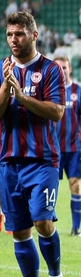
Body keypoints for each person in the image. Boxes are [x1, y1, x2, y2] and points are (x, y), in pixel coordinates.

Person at [0, 11, 69, 277]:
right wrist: (8, 89)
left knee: (43, 221)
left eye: (19, 34)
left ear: (34, 35)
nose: (13, 40)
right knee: (19, 229)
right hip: (8, 161)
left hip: (42, 159)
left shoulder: (50, 70)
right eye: (9, 34)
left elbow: (57, 112)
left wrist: (22, 97)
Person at [53, 57, 81, 236]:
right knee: (50, 187)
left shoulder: (78, 91)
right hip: (52, 148)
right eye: (58, 68)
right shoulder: (49, 91)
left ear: (69, 68)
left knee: (76, 185)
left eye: (64, 67)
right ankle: (47, 224)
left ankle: (76, 227)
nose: (61, 70)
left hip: (74, 148)